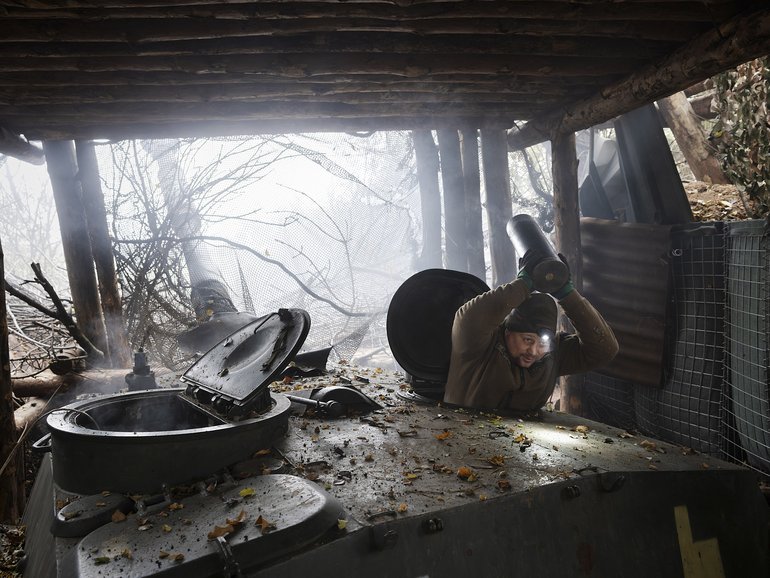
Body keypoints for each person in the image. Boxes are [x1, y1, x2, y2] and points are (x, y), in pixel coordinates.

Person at [443, 251, 619, 412]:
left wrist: (567, 294)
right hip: (462, 435)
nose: (534, 351)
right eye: (527, 340)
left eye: (542, 343)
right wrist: (523, 284)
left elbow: (605, 350)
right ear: (508, 332)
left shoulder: (552, 354)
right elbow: (468, 317)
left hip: (518, 443)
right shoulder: (479, 344)